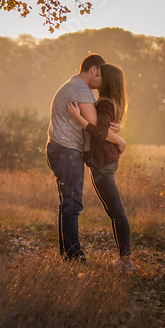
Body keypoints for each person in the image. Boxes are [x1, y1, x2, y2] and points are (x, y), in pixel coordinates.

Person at [67, 63, 134, 272]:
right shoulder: (106, 101)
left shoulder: (104, 103)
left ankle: (126, 261)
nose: (94, 77)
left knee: (117, 212)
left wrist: (78, 117)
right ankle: (124, 259)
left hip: (104, 164)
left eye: (99, 75)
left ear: (106, 81)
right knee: (115, 212)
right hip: (104, 162)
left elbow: (101, 133)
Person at [46, 53, 106, 261]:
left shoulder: (74, 85)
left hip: (61, 149)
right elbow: (95, 125)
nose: (102, 81)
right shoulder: (80, 89)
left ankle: (68, 253)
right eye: (101, 75)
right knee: (72, 204)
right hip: (67, 151)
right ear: (94, 70)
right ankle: (73, 255)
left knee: (68, 203)